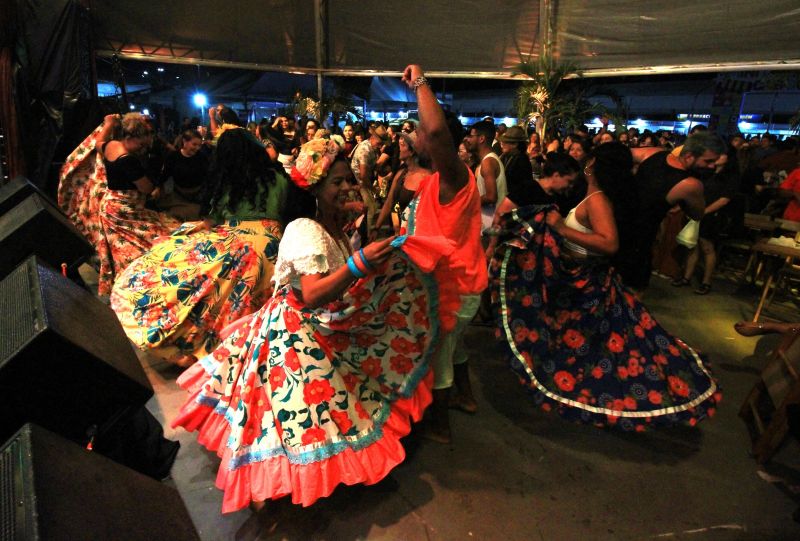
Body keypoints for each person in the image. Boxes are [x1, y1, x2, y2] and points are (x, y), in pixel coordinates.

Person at [171, 134, 448, 512]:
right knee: (295, 419)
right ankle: (297, 485)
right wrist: (361, 263)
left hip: (320, 325)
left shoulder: (335, 227)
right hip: (296, 331)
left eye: (350, 179)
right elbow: (313, 294)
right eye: (337, 182)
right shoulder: (303, 228)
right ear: (315, 189)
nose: (349, 187)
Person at [489, 142, 720, 430]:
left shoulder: (598, 199)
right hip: (583, 278)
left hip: (588, 281)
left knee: (602, 346)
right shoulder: (598, 195)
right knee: (592, 342)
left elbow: (609, 243)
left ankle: (591, 387)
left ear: (594, 164)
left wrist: (561, 228)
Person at [110, 128, 290, 367]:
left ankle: (186, 346)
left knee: (196, 290)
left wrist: (188, 230)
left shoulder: (230, 181)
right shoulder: (278, 178)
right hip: (275, 246)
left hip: (237, 241)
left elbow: (214, 220)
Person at [397, 64, 488, 443]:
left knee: (438, 358)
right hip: (456, 284)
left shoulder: (457, 177)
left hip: (456, 287)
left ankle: (440, 428)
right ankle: (465, 399)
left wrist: (419, 82)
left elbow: (434, 130)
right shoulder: (437, 180)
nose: (417, 134)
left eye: (418, 130)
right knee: (457, 346)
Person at [59, 113, 181, 296]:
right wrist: (155, 187)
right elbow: (146, 188)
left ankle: (124, 286)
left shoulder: (112, 146)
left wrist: (108, 124)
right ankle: (138, 286)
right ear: (129, 137)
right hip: (124, 211)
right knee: (145, 245)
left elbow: (99, 142)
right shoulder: (128, 160)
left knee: (120, 251)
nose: (142, 148)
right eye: (140, 143)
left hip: (109, 207)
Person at [613, 131, 726, 294]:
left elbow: (607, 156)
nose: (712, 166)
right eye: (708, 161)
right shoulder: (691, 184)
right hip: (638, 244)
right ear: (688, 156)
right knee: (631, 298)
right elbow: (697, 214)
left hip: (613, 229)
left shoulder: (651, 153)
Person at [671, 151, 738, 294]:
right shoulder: (705, 172)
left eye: (721, 154)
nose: (717, 157)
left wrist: (704, 211)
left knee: (707, 247)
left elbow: (724, 199)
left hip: (712, 216)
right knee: (692, 245)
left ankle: (706, 282)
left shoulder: (729, 177)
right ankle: (686, 277)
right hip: (696, 212)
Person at [373, 131, 431, 236]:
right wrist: (376, 228)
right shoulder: (402, 173)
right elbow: (390, 201)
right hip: (401, 236)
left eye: (402, 145)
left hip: (417, 237)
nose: (398, 148)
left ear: (412, 152)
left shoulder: (426, 177)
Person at [154, 128, 210, 221]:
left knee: (194, 213)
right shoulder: (173, 156)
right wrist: (158, 187)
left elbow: (208, 177)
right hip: (178, 195)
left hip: (198, 196)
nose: (197, 148)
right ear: (184, 141)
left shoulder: (202, 157)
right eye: (194, 144)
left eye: (199, 145)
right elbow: (165, 174)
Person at [465, 120, 506, 235]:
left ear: (481, 138)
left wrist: (468, 201)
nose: (468, 140)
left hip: (490, 226)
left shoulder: (488, 162)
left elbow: (491, 196)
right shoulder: (490, 159)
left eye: (471, 136)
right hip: (490, 224)